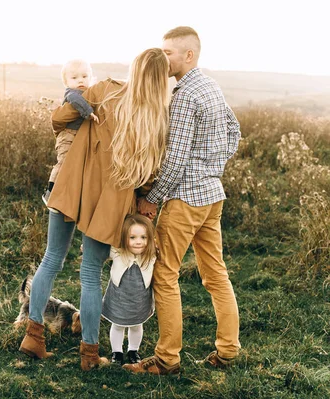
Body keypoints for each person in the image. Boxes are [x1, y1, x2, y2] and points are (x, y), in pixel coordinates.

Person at [19, 48, 170, 371]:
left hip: (72, 186)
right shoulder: (157, 119)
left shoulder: (105, 91)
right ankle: (89, 355)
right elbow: (149, 177)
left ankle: (34, 337)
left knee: (51, 259)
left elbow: (59, 119)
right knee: (90, 275)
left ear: (135, 68)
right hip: (110, 204)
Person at [127, 26, 242, 375]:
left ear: (188, 55)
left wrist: (152, 198)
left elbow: (175, 159)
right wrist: (212, 166)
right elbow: (234, 131)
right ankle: (228, 350)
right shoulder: (211, 86)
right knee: (216, 275)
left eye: (168, 53)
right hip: (211, 196)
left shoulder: (183, 96)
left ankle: (167, 359)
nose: (163, 58)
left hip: (184, 200)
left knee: (165, 274)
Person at [42, 59, 99, 211]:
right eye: (74, 78)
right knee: (64, 162)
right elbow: (76, 101)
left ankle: (69, 193)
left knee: (75, 165)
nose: (80, 80)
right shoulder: (72, 93)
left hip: (78, 135)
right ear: (66, 82)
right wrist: (89, 112)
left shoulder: (90, 92)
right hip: (68, 134)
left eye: (85, 76)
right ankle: (50, 191)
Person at [101, 214, 157, 367]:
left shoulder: (151, 255)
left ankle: (133, 350)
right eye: (132, 237)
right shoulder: (118, 252)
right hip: (119, 297)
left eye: (143, 237)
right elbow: (103, 249)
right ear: (124, 238)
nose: (138, 242)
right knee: (118, 325)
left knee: (137, 325)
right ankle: (117, 352)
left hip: (139, 299)